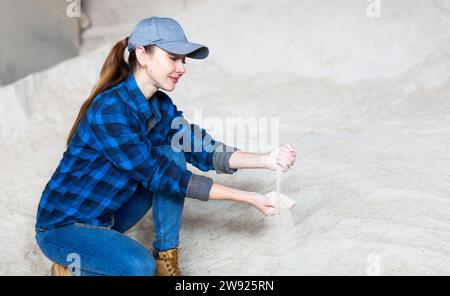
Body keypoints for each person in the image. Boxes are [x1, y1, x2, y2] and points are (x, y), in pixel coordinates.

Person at [34, 17, 296, 276]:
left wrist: (266, 159)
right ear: (142, 54)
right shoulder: (110, 109)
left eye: (184, 60)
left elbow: (200, 148)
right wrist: (249, 198)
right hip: (64, 228)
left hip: (107, 217)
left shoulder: (160, 105)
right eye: (173, 57)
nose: (182, 67)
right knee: (138, 267)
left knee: (172, 153)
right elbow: (158, 175)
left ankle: (166, 260)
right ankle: (70, 270)